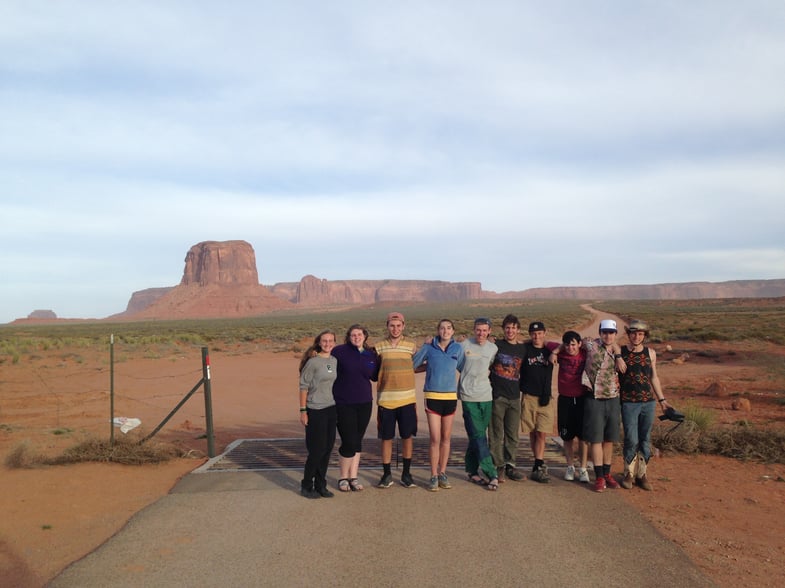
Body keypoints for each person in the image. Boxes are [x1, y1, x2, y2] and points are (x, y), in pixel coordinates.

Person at [412, 318, 465, 491]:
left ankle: (443, 473)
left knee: (446, 438)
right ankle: (433, 475)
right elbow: (413, 364)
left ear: (453, 331)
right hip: (433, 396)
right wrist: (429, 364)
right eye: (442, 328)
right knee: (435, 438)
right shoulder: (429, 347)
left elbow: (464, 368)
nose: (445, 331)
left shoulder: (458, 348)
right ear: (438, 330)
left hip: (450, 397)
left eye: (449, 328)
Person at [618, 319, 670, 491]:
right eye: (633, 333)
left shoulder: (651, 353)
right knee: (631, 438)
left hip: (648, 402)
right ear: (628, 334)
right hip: (628, 402)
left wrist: (662, 400)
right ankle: (628, 473)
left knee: (645, 439)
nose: (636, 336)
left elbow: (653, 377)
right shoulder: (621, 352)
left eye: (640, 334)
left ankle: (642, 474)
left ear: (644, 336)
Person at [331, 324, 379, 492]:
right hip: (343, 403)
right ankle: (343, 477)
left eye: (359, 334)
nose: (356, 337)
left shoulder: (371, 355)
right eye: (353, 335)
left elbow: (374, 376)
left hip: (365, 402)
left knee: (357, 440)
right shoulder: (339, 352)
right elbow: (328, 367)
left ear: (365, 336)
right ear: (348, 337)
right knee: (349, 441)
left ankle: (353, 477)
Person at [580, 319, 625, 492]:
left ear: (615, 333)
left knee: (609, 439)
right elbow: (577, 342)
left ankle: (607, 473)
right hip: (594, 398)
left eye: (611, 332)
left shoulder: (617, 349)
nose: (608, 335)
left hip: (613, 398)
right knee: (596, 439)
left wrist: (619, 354)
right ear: (600, 332)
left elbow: (623, 365)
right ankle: (599, 476)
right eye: (604, 332)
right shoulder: (591, 345)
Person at [375, 312, 418, 489]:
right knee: (387, 438)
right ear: (387, 326)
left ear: (404, 326)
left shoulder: (412, 346)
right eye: (392, 325)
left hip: (407, 399)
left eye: (398, 325)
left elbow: (418, 364)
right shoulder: (379, 347)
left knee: (407, 437)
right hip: (386, 400)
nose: (395, 329)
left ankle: (406, 474)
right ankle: (386, 475)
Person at [458, 317, 500, 490]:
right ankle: (492, 473)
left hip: (486, 395)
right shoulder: (464, 345)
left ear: (489, 331)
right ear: (474, 330)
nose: (481, 333)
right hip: (468, 396)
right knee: (479, 435)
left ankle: (471, 470)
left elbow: (490, 365)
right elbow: (459, 365)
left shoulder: (493, 348)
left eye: (484, 330)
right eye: (478, 330)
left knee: (478, 434)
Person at [298, 330, 338, 499]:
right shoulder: (313, 362)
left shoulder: (334, 360)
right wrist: (303, 411)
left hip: (331, 408)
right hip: (315, 410)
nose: (327, 343)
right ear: (319, 343)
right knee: (317, 450)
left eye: (330, 341)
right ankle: (307, 485)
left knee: (328, 448)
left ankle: (321, 485)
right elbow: (303, 387)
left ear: (334, 343)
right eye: (324, 341)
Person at [518, 321, 559, 483]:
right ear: (530, 334)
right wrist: (525, 342)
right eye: (534, 334)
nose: (537, 336)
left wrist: (555, 352)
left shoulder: (549, 350)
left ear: (545, 332)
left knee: (542, 432)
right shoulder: (525, 349)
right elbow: (516, 344)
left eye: (540, 333)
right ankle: (537, 464)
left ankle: (539, 462)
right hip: (528, 396)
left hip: (545, 397)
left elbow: (565, 345)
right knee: (532, 431)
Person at [488, 314, 527, 482]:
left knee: (512, 435)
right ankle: (498, 466)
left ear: (518, 330)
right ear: (503, 329)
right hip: (497, 396)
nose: (510, 331)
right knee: (496, 433)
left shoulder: (523, 349)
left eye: (513, 328)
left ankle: (511, 465)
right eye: (507, 328)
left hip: (514, 397)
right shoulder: (495, 345)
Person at [552, 330, 590, 483]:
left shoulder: (586, 353)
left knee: (583, 437)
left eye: (573, 344)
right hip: (565, 399)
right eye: (567, 345)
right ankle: (570, 467)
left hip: (582, 399)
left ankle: (583, 469)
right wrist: (555, 351)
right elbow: (545, 342)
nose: (570, 348)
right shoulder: (561, 353)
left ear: (579, 344)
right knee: (567, 436)